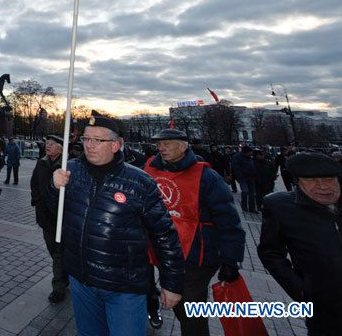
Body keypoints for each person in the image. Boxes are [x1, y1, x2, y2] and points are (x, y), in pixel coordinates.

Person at [49, 113, 184, 335]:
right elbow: (57, 213)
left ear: (116, 145)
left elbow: (164, 234)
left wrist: (172, 283)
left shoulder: (140, 182)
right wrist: (54, 188)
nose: (89, 145)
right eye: (86, 139)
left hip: (124, 286)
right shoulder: (70, 170)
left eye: (97, 140)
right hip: (82, 280)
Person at [144, 128, 245, 336]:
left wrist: (230, 259)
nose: (161, 147)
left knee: (190, 308)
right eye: (159, 144)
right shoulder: (150, 171)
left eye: (167, 143)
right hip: (162, 251)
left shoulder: (207, 177)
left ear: (183, 146)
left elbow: (228, 220)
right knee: (180, 305)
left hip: (195, 255)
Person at [258, 152, 342, 335]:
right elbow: (270, 253)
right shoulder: (280, 207)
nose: (322, 187)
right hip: (325, 308)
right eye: (311, 180)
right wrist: (301, 290)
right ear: (297, 182)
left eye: (328, 179)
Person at [29, 135, 69, 303]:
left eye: (52, 144)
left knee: (59, 252)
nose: (48, 146)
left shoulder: (67, 165)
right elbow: (33, 182)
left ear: (60, 147)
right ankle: (65, 273)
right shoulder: (42, 162)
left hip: (61, 216)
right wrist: (37, 199)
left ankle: (58, 287)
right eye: (47, 143)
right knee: (53, 249)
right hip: (45, 215)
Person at [231, 146, 257, 213]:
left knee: (252, 193)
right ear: (245, 152)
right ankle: (244, 206)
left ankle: (252, 208)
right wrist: (240, 176)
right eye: (250, 152)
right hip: (243, 177)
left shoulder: (250, 157)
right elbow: (236, 168)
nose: (251, 153)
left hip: (251, 177)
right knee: (245, 191)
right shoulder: (237, 157)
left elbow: (253, 165)